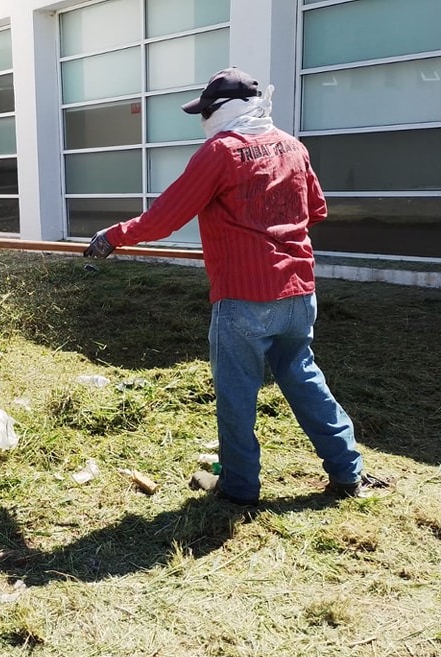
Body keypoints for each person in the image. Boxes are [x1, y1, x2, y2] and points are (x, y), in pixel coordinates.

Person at [84, 67, 386, 506]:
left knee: (237, 397)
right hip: (299, 292)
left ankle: (240, 491)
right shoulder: (292, 147)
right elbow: (315, 209)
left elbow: (165, 218)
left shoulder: (220, 152)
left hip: (244, 297)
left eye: (205, 110)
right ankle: (348, 472)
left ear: (222, 110)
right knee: (304, 378)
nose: (203, 119)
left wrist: (113, 235)